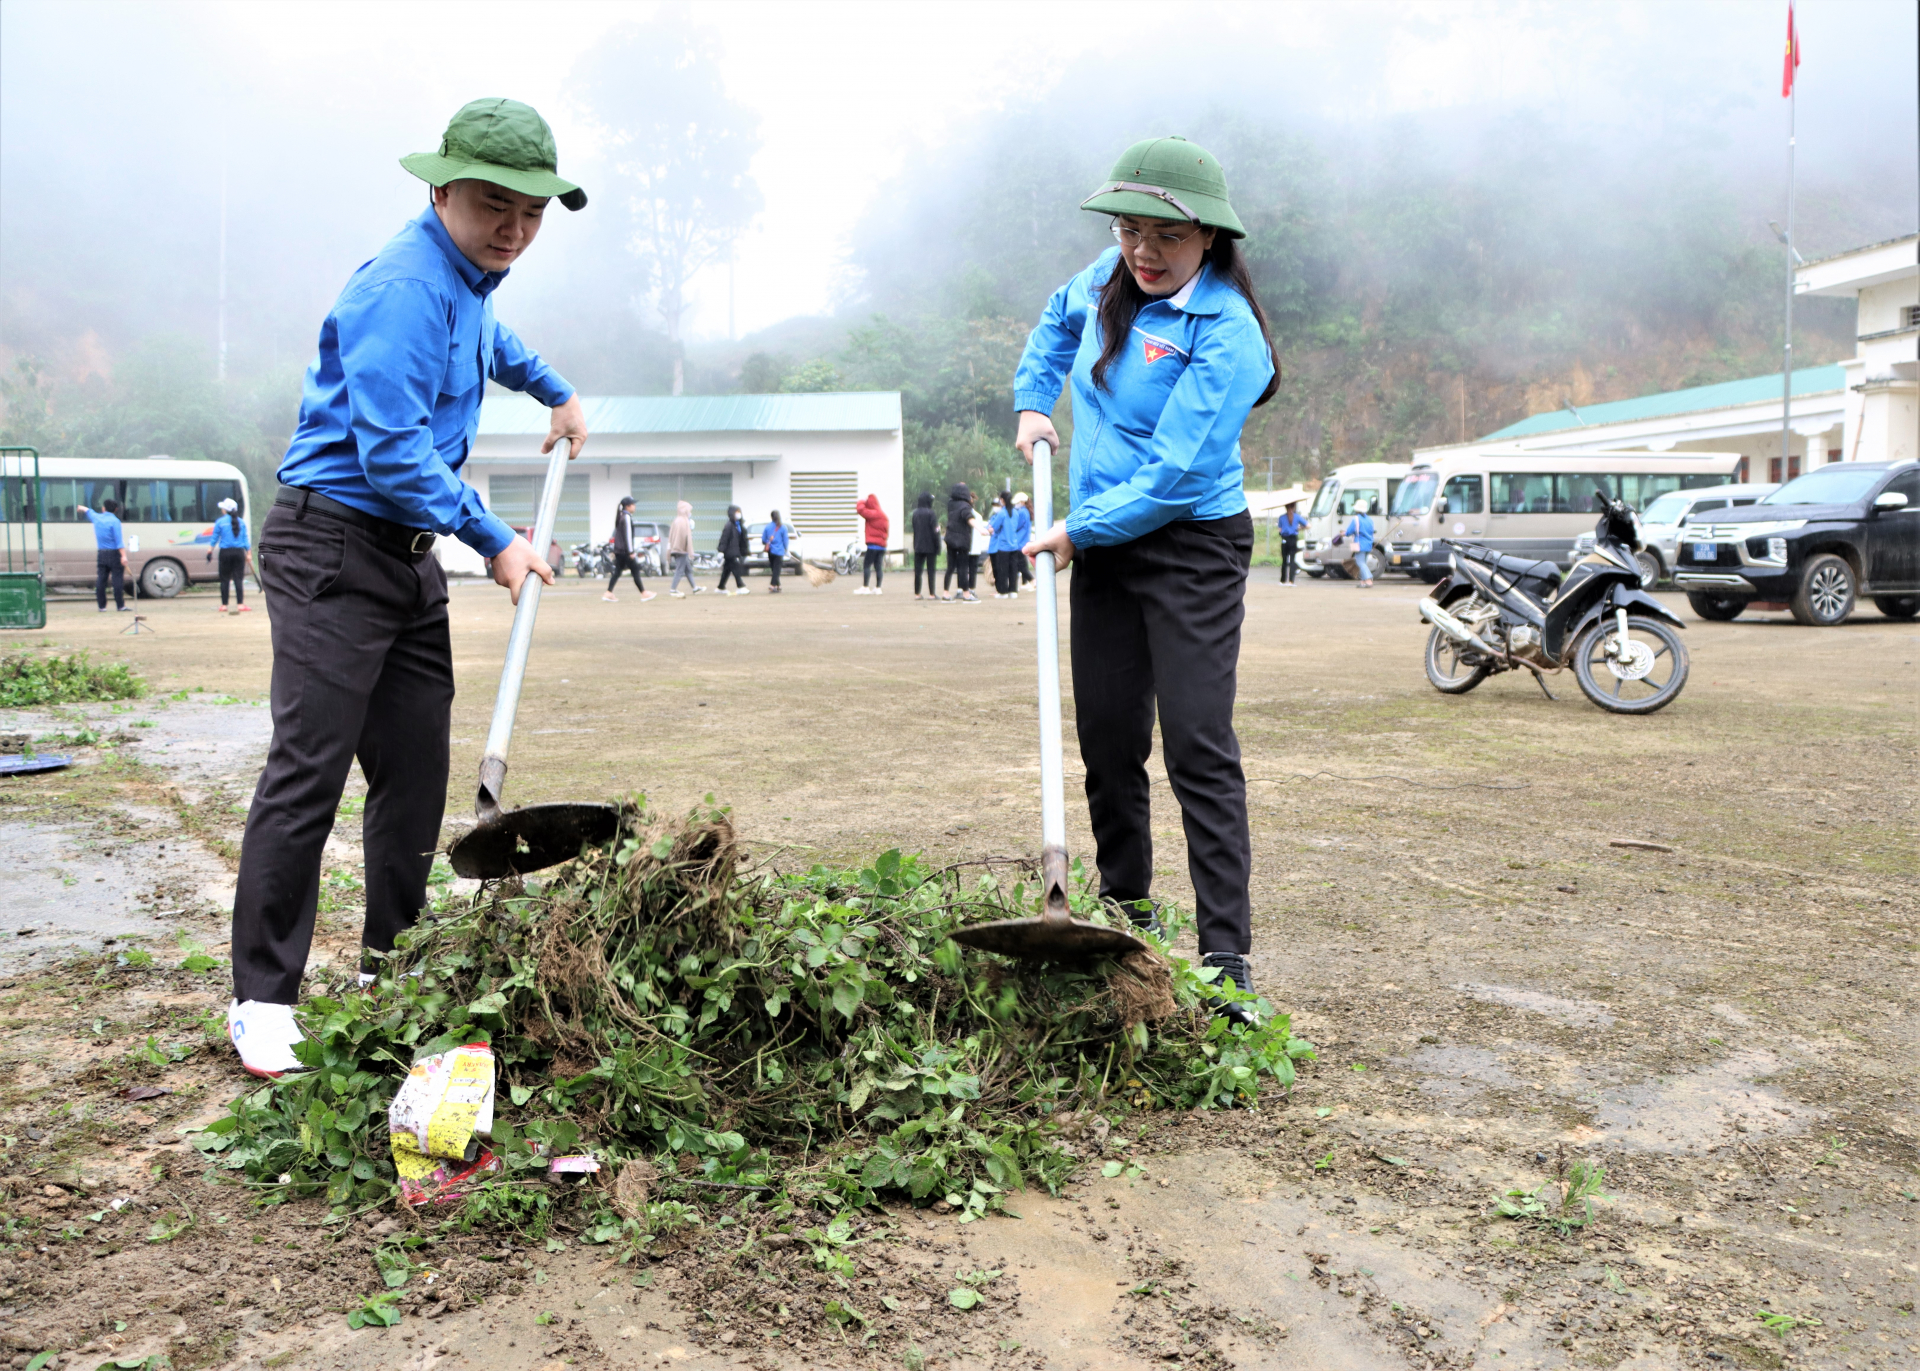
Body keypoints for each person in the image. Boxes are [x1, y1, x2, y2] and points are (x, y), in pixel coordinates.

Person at [224, 98, 591, 1078]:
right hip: (332, 545)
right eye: (492, 205)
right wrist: (499, 540)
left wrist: (554, 389)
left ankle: (398, 969)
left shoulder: (469, 280)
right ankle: (262, 998)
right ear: (442, 190)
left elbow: (493, 343)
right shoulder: (403, 286)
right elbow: (389, 454)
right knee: (310, 768)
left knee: (415, 773)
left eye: (531, 212)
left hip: (404, 558)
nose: (513, 228)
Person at [1014, 135, 1280, 1024]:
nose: (1144, 251)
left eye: (1164, 235)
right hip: (1101, 542)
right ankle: (1124, 915)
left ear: (1208, 236)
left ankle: (1226, 958)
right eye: (1130, 230)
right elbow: (1055, 323)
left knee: (1198, 742)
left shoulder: (1229, 334)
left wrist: (1073, 530)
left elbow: (1172, 475)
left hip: (1191, 542)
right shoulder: (1107, 276)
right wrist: (1032, 399)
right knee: (1108, 738)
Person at [76, 497, 130, 612]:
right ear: (116, 509)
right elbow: (119, 541)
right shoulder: (115, 522)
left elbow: (88, 510)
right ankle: (120, 606)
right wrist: (124, 556)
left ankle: (102, 606)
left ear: (103, 508)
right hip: (114, 554)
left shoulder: (97, 518)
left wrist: (80, 508)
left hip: (101, 554)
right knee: (117, 581)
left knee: (101, 580)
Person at [604, 495, 655, 603]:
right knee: (635, 570)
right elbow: (627, 535)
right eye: (633, 504)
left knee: (617, 571)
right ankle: (644, 593)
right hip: (625, 551)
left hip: (619, 550)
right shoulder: (626, 517)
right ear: (627, 506)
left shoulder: (621, 515)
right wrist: (630, 552)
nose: (634, 506)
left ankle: (608, 592)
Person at [207, 497, 253, 612]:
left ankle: (224, 605)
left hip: (225, 553)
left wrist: (209, 551)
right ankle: (240, 604)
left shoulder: (220, 522)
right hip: (238, 553)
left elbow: (214, 539)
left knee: (224, 579)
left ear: (225, 510)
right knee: (238, 578)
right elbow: (245, 539)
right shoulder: (241, 522)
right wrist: (249, 553)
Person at [944, 482, 979, 602]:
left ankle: (946, 594)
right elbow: (969, 518)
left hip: (950, 538)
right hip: (962, 540)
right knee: (963, 567)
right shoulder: (965, 506)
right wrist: (981, 529)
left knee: (950, 567)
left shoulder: (950, 504)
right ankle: (966, 594)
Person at [853, 492, 888, 594]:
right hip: (882, 546)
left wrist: (862, 501)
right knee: (878, 567)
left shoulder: (872, 514)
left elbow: (860, 510)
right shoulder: (883, 515)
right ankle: (878, 588)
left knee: (867, 565)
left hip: (873, 545)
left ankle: (865, 587)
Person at [910, 492, 941, 600]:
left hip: (918, 546)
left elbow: (914, 529)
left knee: (918, 571)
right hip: (931, 547)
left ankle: (917, 593)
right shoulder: (931, 514)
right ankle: (932, 594)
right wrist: (938, 546)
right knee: (931, 571)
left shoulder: (915, 514)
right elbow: (936, 531)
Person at [667, 500, 701, 597]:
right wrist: (689, 551)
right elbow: (685, 537)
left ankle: (694, 587)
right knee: (680, 569)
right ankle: (673, 589)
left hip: (677, 548)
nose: (690, 513)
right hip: (680, 549)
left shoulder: (677, 520)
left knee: (687, 569)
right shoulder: (683, 521)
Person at [988, 491, 1016, 597]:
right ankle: (1013, 591)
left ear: (1002, 500)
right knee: (1013, 569)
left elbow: (993, 527)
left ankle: (1003, 592)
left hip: (1003, 546)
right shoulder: (1015, 512)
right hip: (1014, 544)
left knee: (1002, 569)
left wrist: (991, 529)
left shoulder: (1002, 513)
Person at [1344, 499, 1375, 587]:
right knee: (1363, 562)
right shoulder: (1370, 519)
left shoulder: (1356, 519)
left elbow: (1349, 531)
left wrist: (1344, 533)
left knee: (1360, 563)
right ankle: (1363, 582)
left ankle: (1368, 580)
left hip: (1359, 544)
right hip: (1369, 543)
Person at [1276, 500, 1306, 586]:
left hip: (1285, 539)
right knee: (1292, 560)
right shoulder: (1297, 517)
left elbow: (1280, 529)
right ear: (1294, 507)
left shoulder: (1281, 517)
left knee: (1284, 560)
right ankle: (1291, 581)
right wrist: (1298, 528)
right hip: (1293, 539)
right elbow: (1308, 525)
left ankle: (1282, 580)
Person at [763, 509, 790, 593]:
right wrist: (786, 549)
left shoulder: (767, 527)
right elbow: (785, 540)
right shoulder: (783, 527)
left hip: (770, 551)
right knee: (777, 569)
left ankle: (777, 585)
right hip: (779, 551)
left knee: (774, 568)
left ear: (771, 517)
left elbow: (763, 539)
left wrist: (768, 542)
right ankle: (773, 585)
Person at [1011, 492, 1033, 588]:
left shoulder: (1021, 512)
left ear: (1023, 502)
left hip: (1019, 541)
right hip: (1024, 540)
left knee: (1019, 564)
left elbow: (1016, 525)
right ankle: (1025, 582)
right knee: (1023, 562)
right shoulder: (1026, 511)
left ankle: (1032, 580)